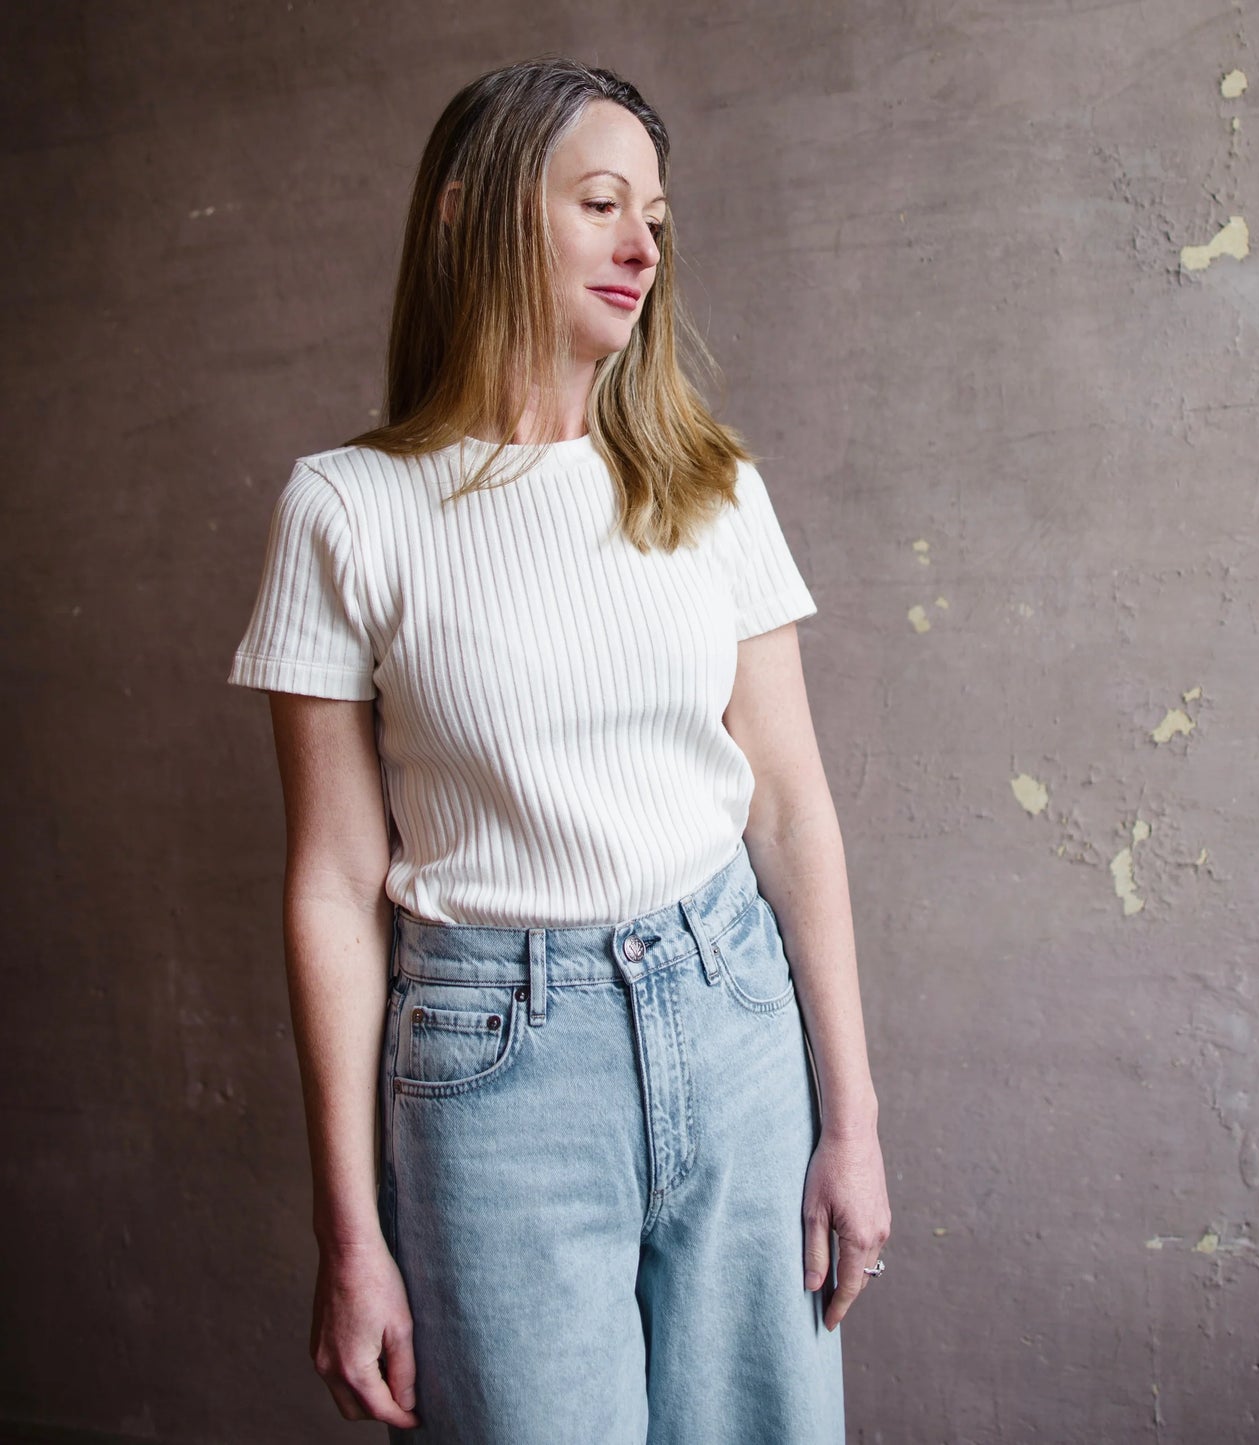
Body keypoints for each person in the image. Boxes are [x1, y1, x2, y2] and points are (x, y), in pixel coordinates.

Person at [227, 56, 889, 1443]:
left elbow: (787, 810)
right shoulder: (348, 510)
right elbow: (333, 888)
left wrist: (853, 1121)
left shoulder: (708, 482)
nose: (642, 243)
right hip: (493, 1068)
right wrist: (351, 1233)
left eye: (655, 213)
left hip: (733, 1020)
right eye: (599, 202)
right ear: (473, 215)